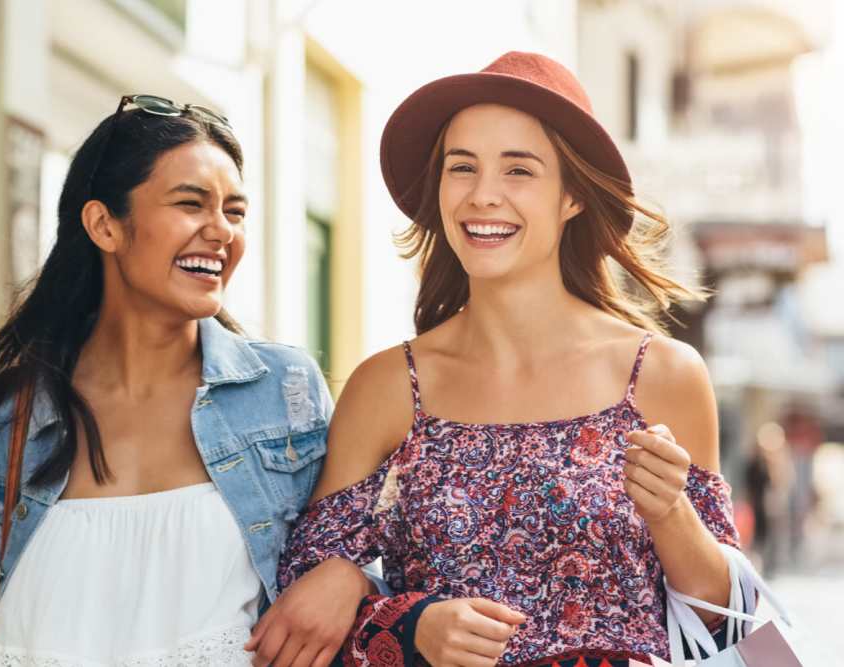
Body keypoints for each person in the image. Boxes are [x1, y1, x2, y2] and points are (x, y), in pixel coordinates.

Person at [0, 95, 372, 667]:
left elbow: (344, 589)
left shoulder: (282, 392)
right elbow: (28, 637)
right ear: (104, 225)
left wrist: (350, 577)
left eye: (235, 211)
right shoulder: (17, 414)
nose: (221, 231)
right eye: (191, 203)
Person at [278, 52, 740, 667]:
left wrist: (670, 513)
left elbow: (724, 619)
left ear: (573, 195)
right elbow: (301, 609)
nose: (483, 195)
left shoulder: (663, 374)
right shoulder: (388, 386)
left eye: (518, 170)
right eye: (460, 167)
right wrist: (410, 626)